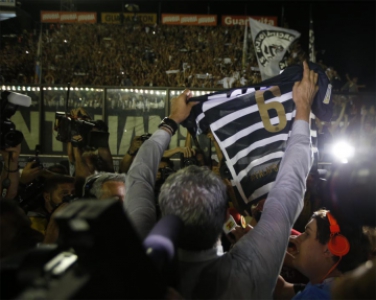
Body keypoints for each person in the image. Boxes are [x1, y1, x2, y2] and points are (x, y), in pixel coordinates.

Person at [124, 61, 319, 298]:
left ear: (163, 216)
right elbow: (289, 187)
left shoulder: (138, 268)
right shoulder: (250, 269)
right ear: (221, 218)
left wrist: (172, 120)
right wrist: (303, 107)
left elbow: (138, 177)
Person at [275, 209, 370, 300]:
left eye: (307, 234)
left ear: (329, 250)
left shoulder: (316, 296)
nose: (295, 238)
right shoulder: (330, 289)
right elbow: (281, 289)